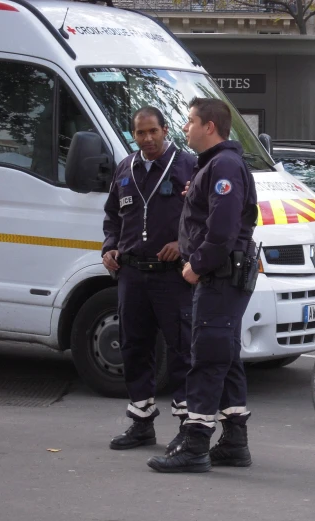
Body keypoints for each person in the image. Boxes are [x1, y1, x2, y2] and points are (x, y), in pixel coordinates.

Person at [147, 98, 258, 473]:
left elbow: (223, 230)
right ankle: (234, 441)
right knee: (224, 358)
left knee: (207, 357)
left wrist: (196, 265)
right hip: (222, 276)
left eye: (191, 121)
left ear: (210, 126)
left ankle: (195, 444)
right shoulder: (214, 165)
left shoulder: (224, 165)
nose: (185, 127)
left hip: (219, 276)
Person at [102, 107, 197, 452]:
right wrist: (109, 247)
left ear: (165, 129)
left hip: (171, 276)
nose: (147, 139)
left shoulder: (188, 165)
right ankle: (141, 422)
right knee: (133, 347)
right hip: (131, 273)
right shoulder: (125, 167)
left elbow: (204, 215)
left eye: (153, 131)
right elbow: (112, 215)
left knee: (181, 350)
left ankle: (189, 427)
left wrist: (183, 244)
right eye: (140, 133)